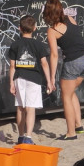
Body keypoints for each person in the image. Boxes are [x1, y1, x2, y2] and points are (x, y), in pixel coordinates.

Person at [42, 0, 84, 140]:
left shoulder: (52, 30)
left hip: (73, 61)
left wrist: (51, 78)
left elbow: (53, 55)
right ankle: (78, 125)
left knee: (65, 97)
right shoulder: (71, 19)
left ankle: (71, 133)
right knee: (71, 92)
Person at [8, 15, 53, 145]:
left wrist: (11, 83)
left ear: (19, 28)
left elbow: (12, 66)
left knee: (20, 108)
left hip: (19, 77)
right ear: (35, 28)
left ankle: (21, 136)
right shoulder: (39, 45)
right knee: (30, 108)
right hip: (34, 78)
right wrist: (49, 81)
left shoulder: (15, 44)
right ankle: (28, 137)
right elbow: (44, 63)